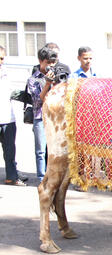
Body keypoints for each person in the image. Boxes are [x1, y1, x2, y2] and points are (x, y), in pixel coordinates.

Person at [26, 46, 58, 182]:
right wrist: (47, 84)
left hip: (54, 118)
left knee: (53, 151)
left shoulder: (56, 77)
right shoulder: (33, 79)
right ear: (40, 61)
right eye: (48, 63)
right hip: (40, 118)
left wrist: (56, 84)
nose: (50, 66)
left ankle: (53, 177)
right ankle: (41, 178)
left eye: (53, 63)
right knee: (41, 151)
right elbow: (38, 100)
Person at [0, 46, 26, 186]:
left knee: (10, 151)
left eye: (2, 58)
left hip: (7, 118)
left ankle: (11, 176)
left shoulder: (6, 73)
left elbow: (12, 93)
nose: (1, 61)